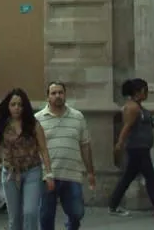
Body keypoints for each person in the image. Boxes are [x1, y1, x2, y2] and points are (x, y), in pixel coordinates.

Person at [0, 88, 55, 230]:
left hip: (32, 171)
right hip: (10, 173)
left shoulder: (33, 124)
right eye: (13, 104)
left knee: (30, 212)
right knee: (14, 217)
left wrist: (49, 173)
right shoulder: (2, 125)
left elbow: (43, 149)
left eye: (20, 104)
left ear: (24, 107)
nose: (17, 108)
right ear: (8, 106)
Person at [36, 80, 97, 230]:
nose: (58, 96)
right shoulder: (38, 118)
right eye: (54, 93)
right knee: (46, 216)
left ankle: (71, 225)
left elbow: (85, 144)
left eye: (60, 93)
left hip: (72, 175)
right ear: (48, 97)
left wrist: (90, 171)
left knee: (77, 213)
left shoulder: (78, 117)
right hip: (47, 175)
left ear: (65, 95)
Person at [109, 78, 154, 216]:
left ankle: (113, 205)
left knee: (128, 177)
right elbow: (127, 126)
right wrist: (119, 143)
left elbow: (141, 123)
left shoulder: (139, 107)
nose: (147, 93)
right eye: (145, 90)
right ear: (139, 91)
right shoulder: (132, 107)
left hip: (141, 146)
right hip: (137, 147)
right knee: (150, 176)